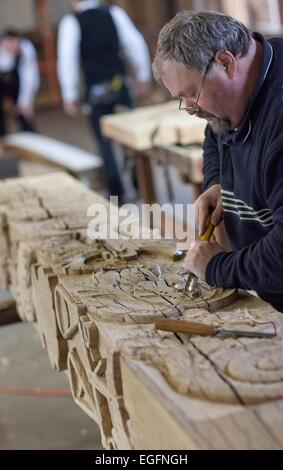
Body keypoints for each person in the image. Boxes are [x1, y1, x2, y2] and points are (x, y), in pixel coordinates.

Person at [153, 10, 283, 313]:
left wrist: (216, 266)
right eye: (180, 98)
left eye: (190, 94)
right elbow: (215, 134)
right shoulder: (238, 92)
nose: (188, 108)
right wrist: (217, 182)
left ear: (225, 63)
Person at [57, 0, 152, 202]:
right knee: (132, 137)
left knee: (104, 142)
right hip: (120, 86)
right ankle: (141, 184)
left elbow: (67, 60)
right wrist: (143, 75)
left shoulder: (71, 22)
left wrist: (69, 94)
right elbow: (134, 44)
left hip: (95, 92)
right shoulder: (114, 13)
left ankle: (117, 192)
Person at [0, 30, 40, 140]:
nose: (15, 48)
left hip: (16, 82)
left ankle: (31, 138)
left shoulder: (25, 49)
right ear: (5, 42)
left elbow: (30, 76)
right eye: (12, 44)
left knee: (24, 113)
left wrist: (26, 101)